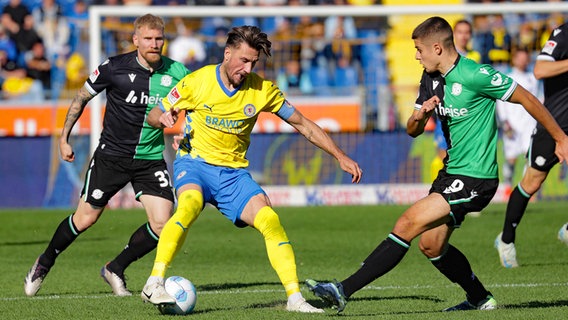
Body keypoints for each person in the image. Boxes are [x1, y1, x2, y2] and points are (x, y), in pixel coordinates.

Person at [305, 16, 568, 314]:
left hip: (476, 177)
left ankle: (342, 290)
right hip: (450, 173)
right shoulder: (429, 79)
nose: (416, 56)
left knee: (407, 223)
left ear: (437, 48)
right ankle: (481, 299)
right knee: (431, 246)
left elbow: (529, 99)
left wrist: (560, 137)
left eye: (419, 49)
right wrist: (420, 116)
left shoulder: (476, 74)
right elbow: (412, 129)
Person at [140, 25, 363, 313]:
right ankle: (154, 282)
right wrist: (164, 118)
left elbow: (304, 125)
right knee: (189, 205)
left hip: (232, 175)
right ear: (227, 53)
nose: (247, 68)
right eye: (243, 61)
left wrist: (339, 155)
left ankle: (295, 299)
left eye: (253, 63)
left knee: (269, 219)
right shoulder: (196, 82)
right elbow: (153, 114)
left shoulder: (262, 90)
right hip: (194, 163)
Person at [23, 14, 190, 297]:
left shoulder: (178, 72)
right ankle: (45, 261)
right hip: (111, 156)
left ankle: (115, 268)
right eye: (147, 39)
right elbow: (81, 98)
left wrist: (187, 133)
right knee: (85, 219)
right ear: (135, 40)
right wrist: (64, 138)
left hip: (150, 158)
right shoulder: (114, 67)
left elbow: (197, 105)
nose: (154, 44)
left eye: (159, 39)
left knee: (164, 224)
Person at [495, 22, 568, 269]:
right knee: (532, 182)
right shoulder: (563, 33)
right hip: (554, 125)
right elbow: (540, 69)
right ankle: (506, 240)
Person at [495, 48, 539, 198]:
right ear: (514, 59)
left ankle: (527, 192)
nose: (523, 61)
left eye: (525, 58)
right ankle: (508, 189)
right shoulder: (507, 77)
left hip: (529, 125)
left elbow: (539, 100)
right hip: (512, 125)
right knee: (511, 159)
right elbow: (500, 102)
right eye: (520, 58)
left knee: (530, 157)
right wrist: (504, 122)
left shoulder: (532, 78)